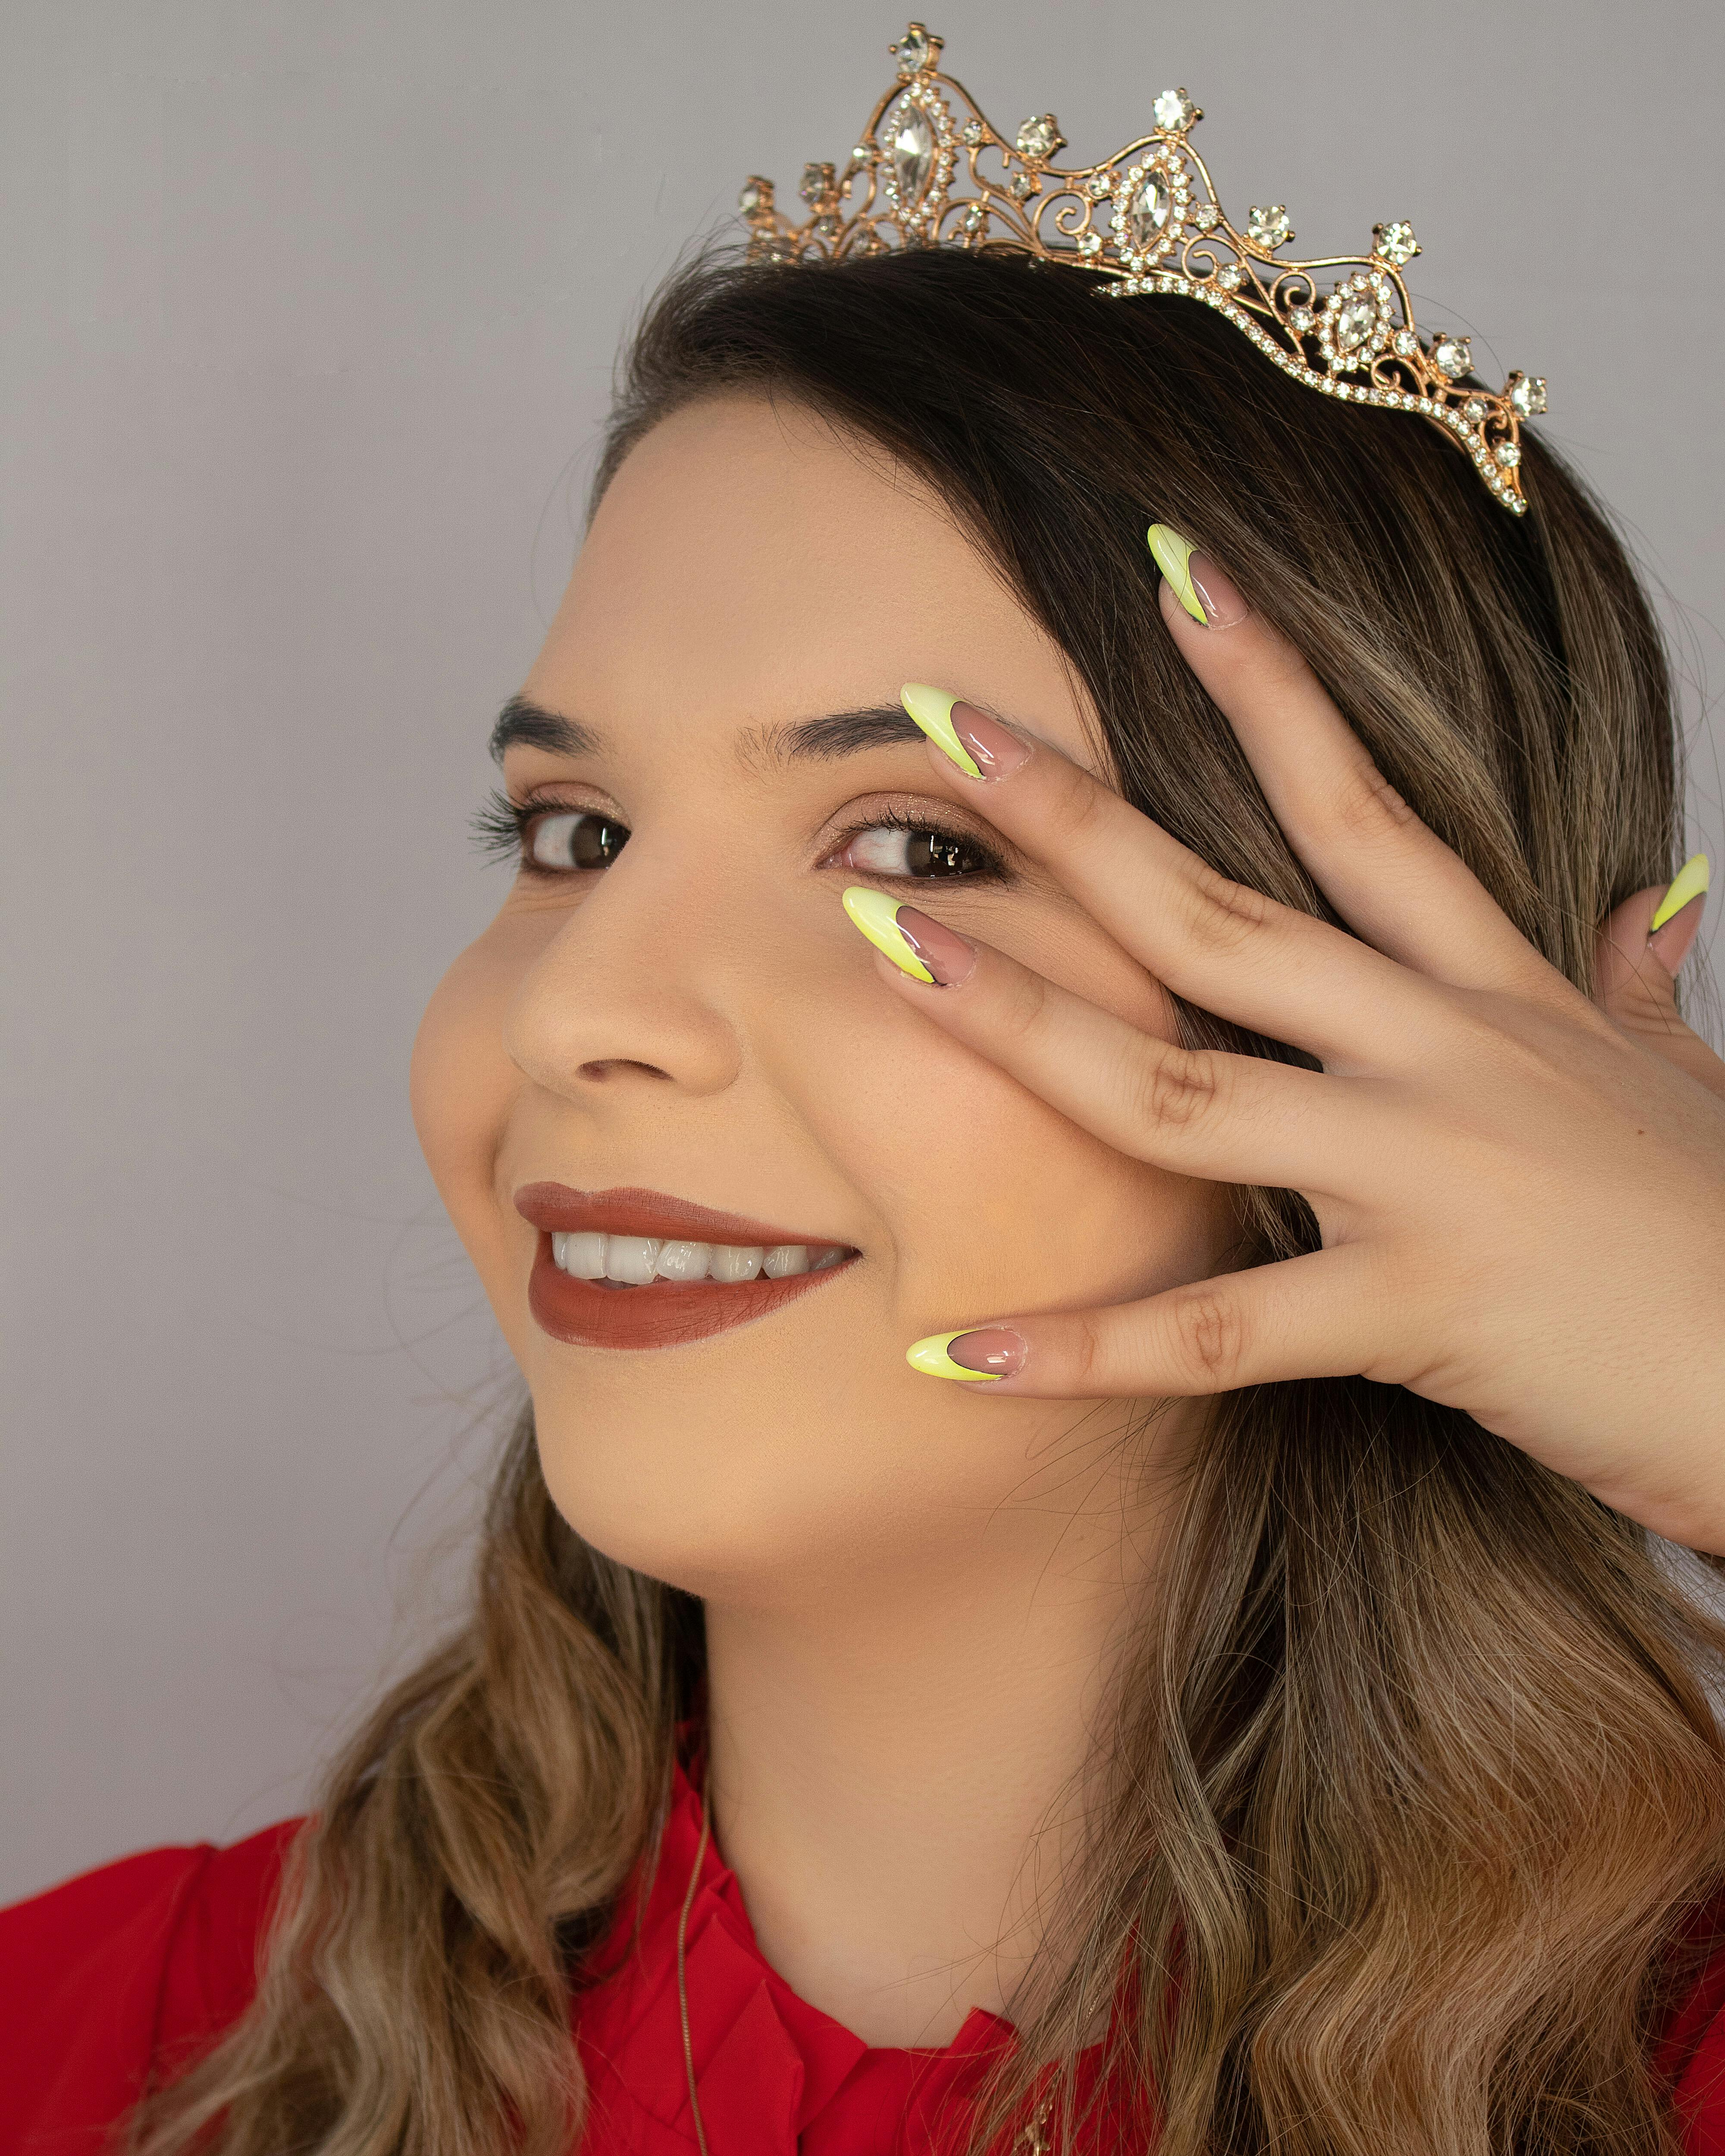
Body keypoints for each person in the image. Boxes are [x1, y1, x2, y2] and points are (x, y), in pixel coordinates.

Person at [6, 26, 1725, 2156]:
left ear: (1397, 1040)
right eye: (572, 833)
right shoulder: (96, 2046)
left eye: (917, 845)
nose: (580, 1014)